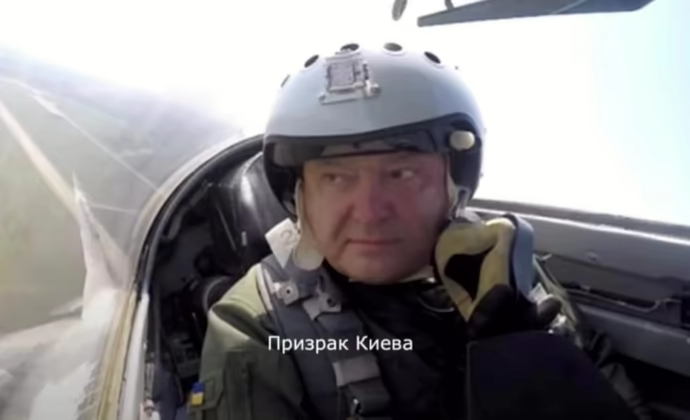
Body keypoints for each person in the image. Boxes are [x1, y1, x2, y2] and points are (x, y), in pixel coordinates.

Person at [191, 42, 640, 420]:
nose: (370, 213)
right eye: (336, 177)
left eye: (402, 174)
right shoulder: (255, 326)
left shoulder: (501, 271)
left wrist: (531, 362)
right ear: (300, 195)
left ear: (454, 186)